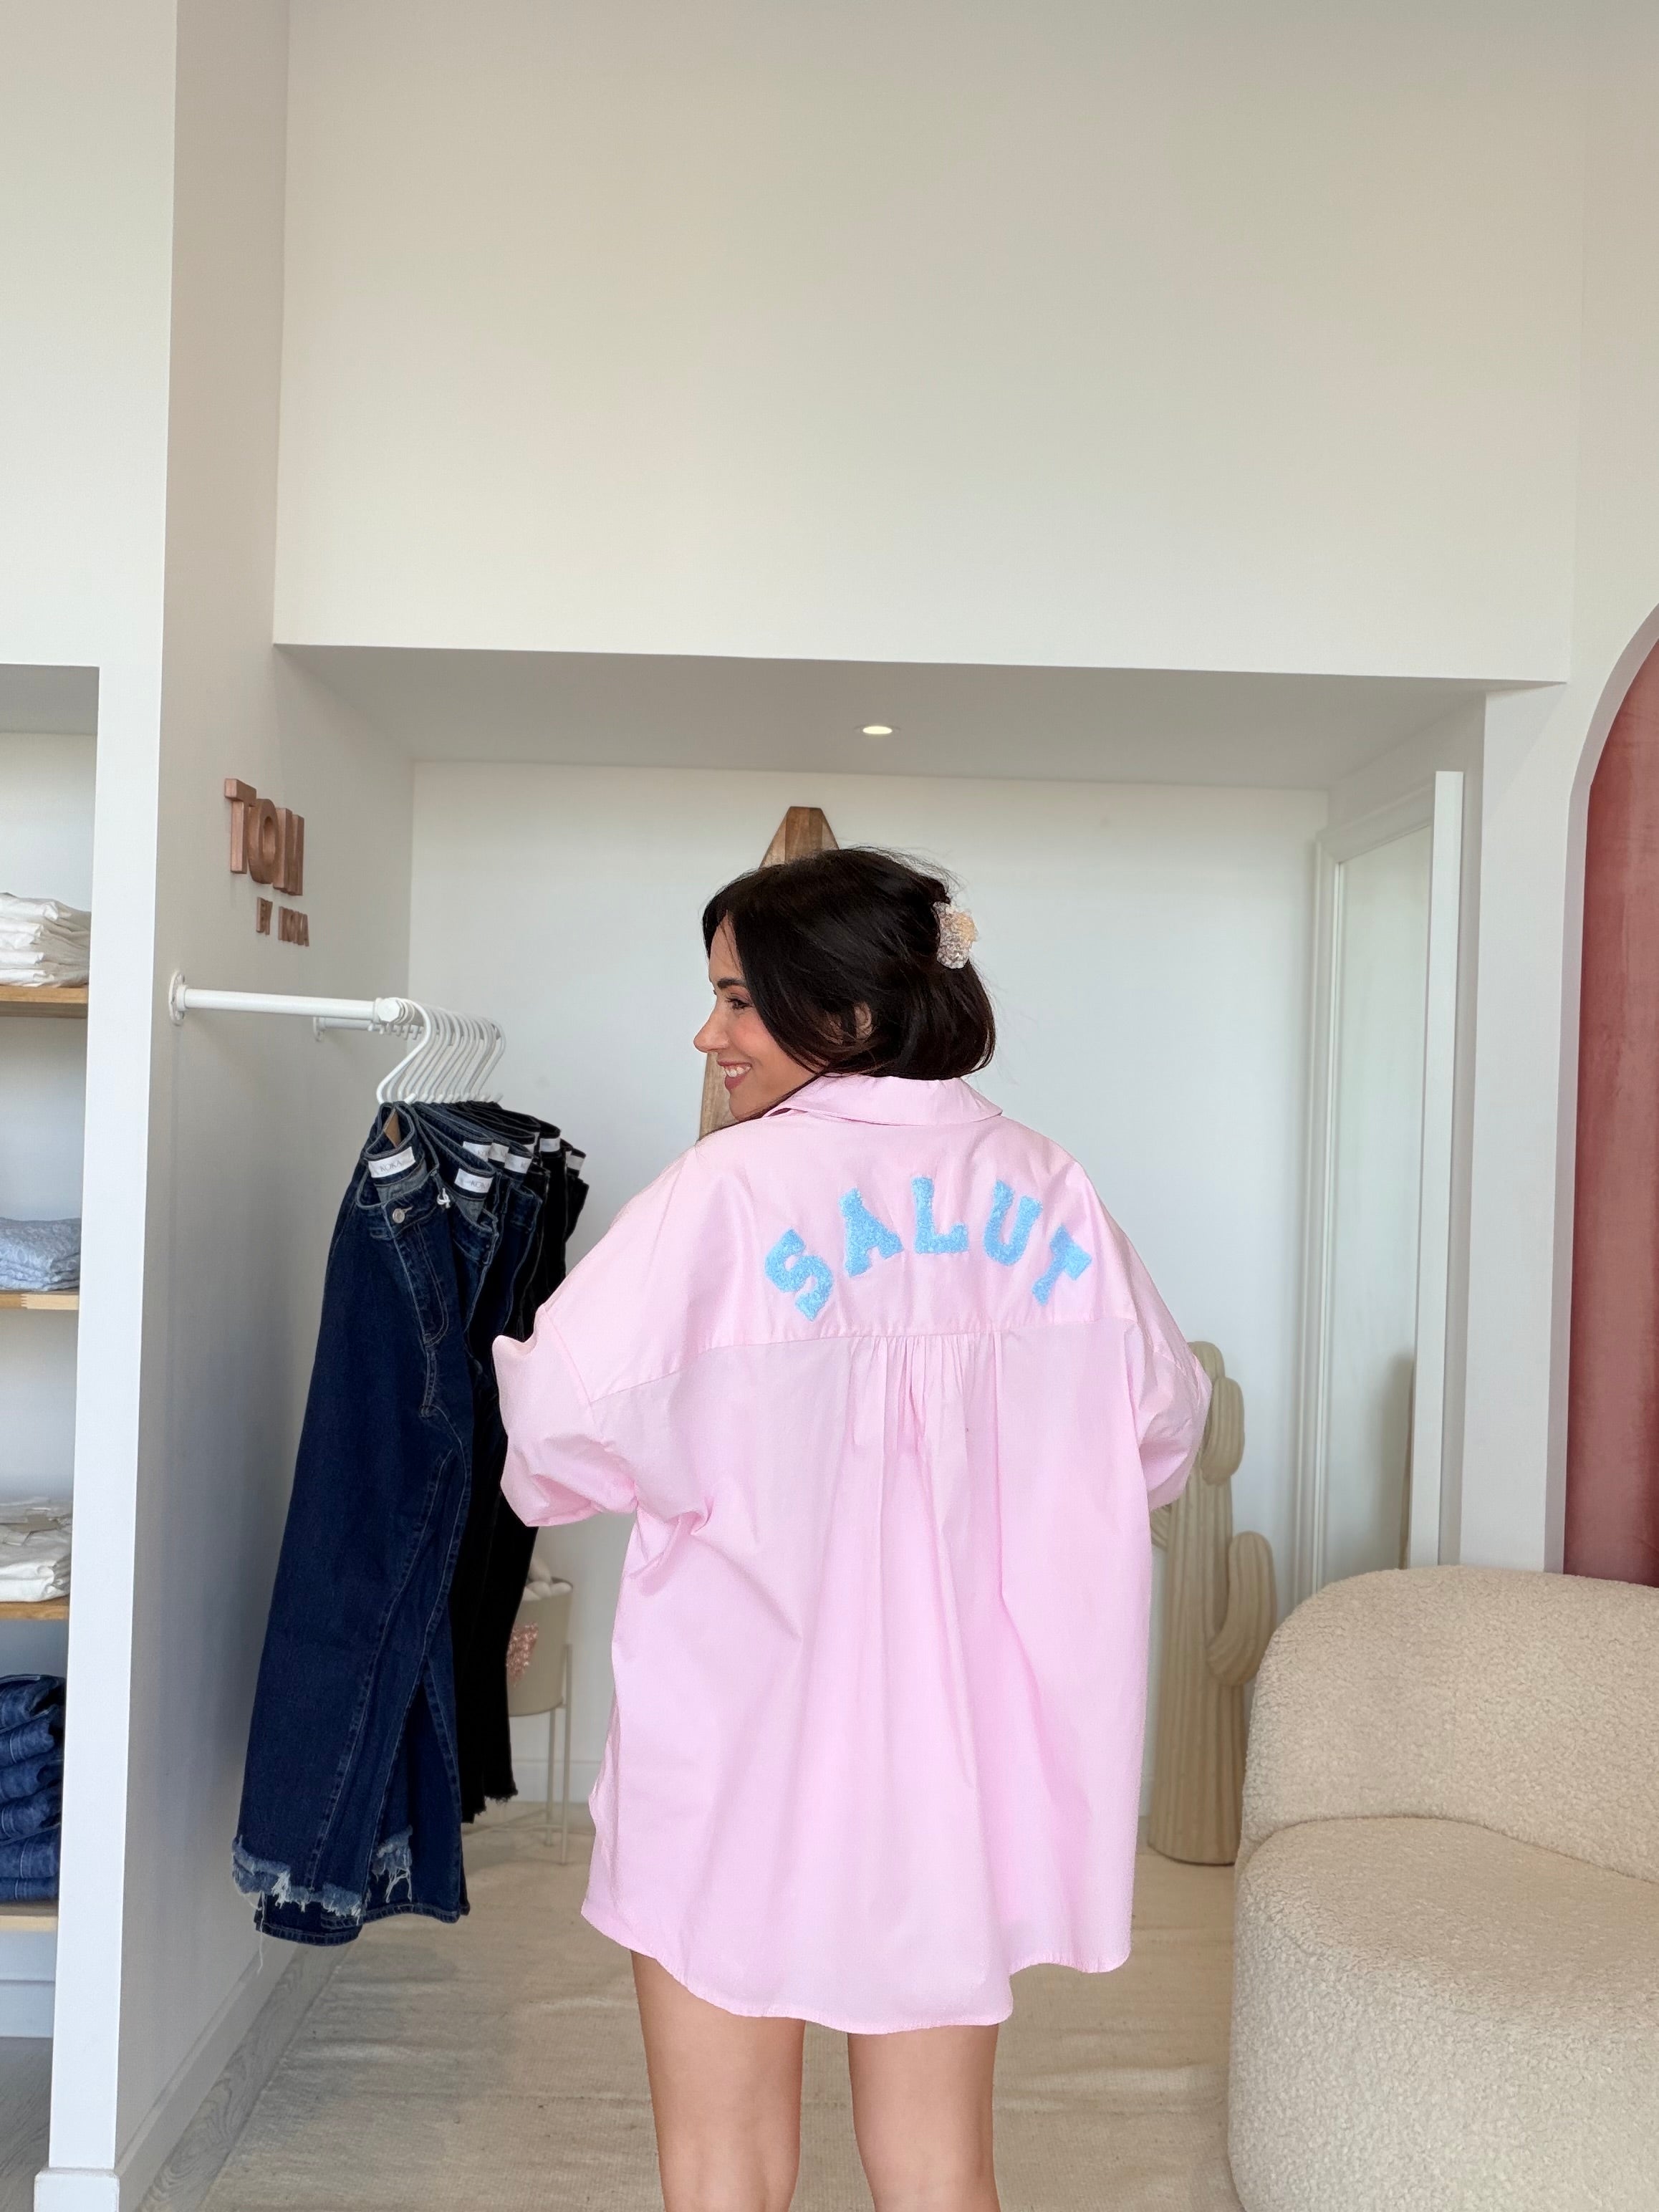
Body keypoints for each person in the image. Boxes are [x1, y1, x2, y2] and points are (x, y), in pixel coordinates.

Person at [495, 847, 1211, 2212]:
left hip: (740, 1741)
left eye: (737, 1001)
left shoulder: (725, 1195)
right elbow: (1161, 1433)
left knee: (724, 2170)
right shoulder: (1045, 1186)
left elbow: (557, 1435)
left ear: (847, 1014)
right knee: (941, 2170)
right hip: (957, 1763)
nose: (709, 1036)